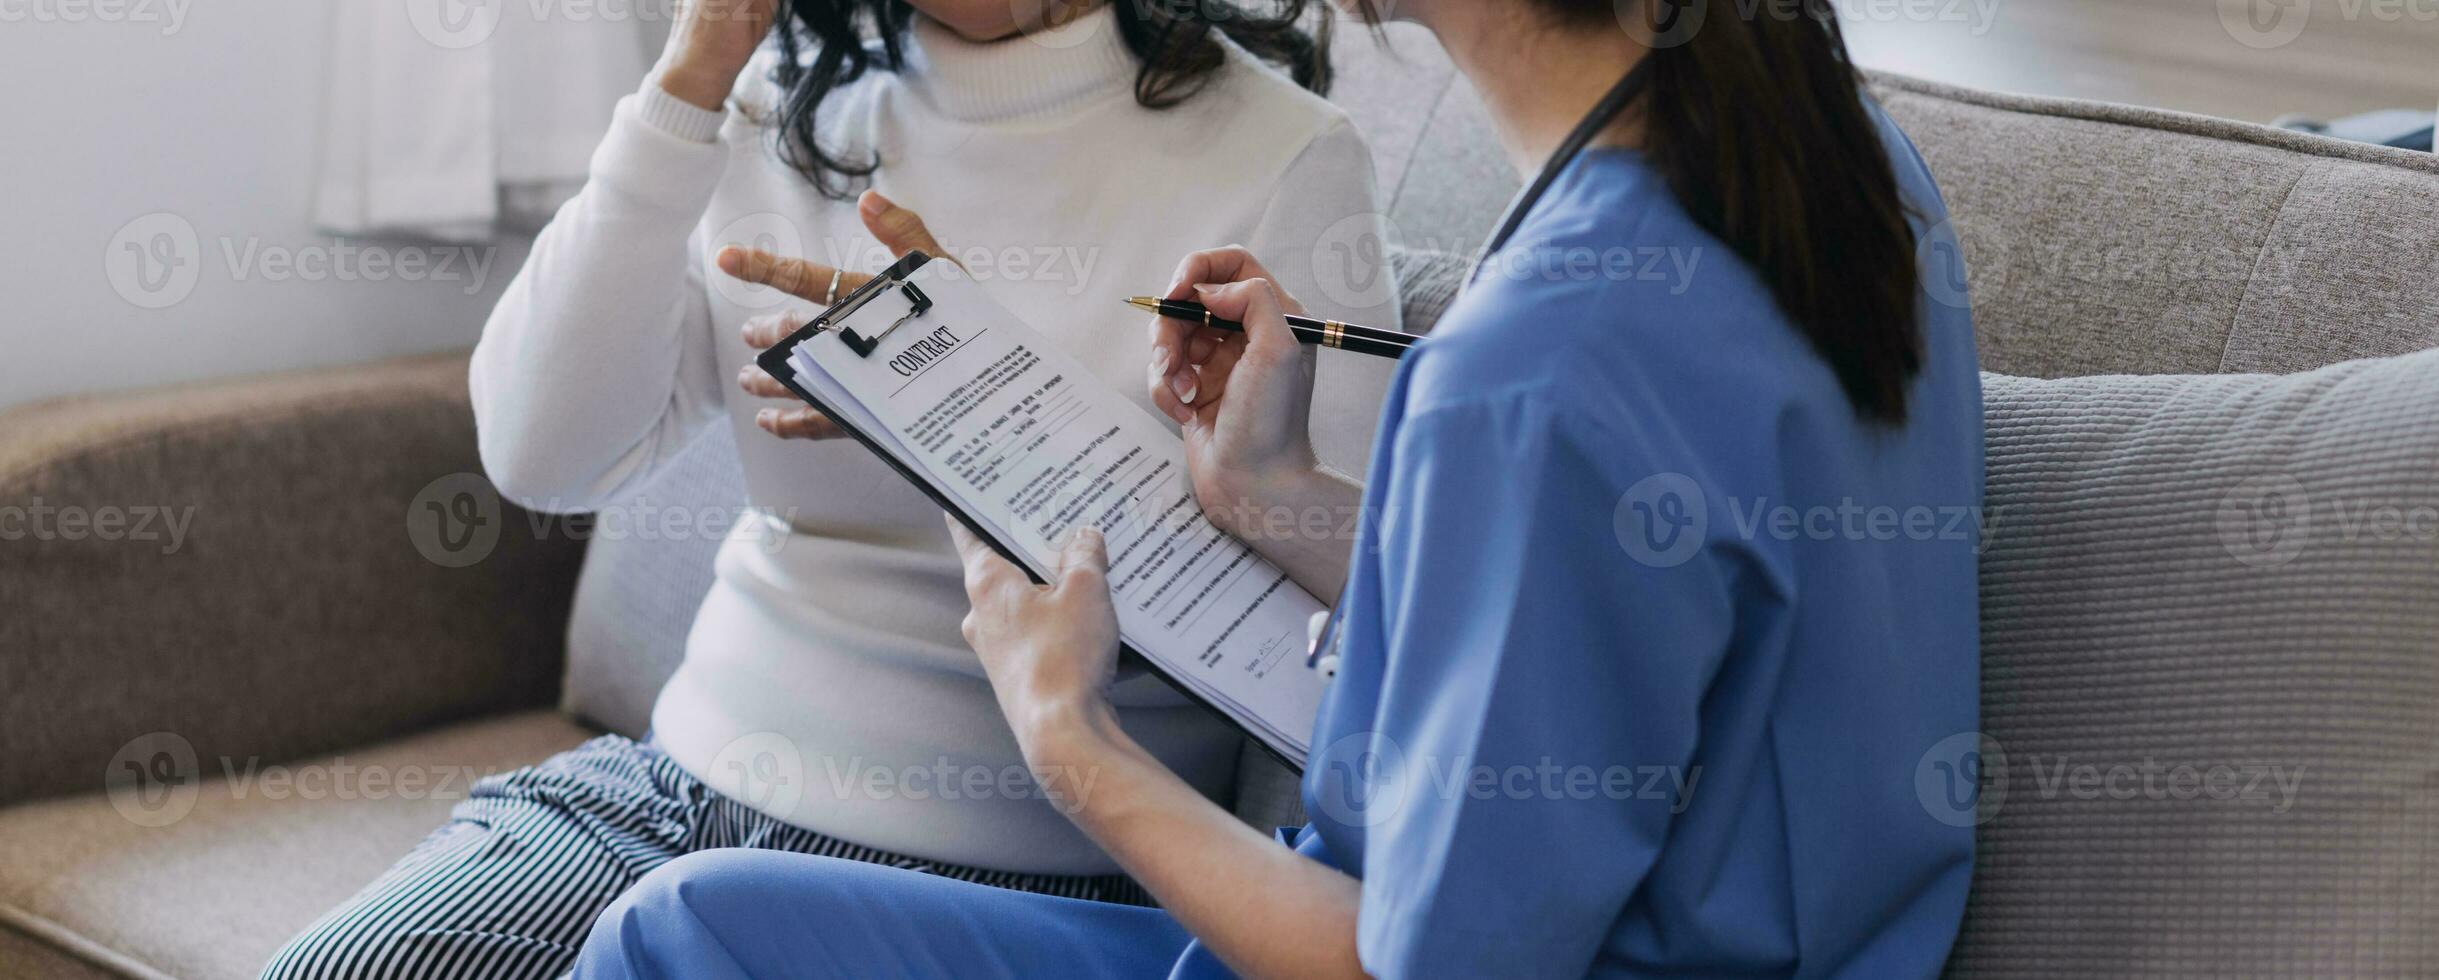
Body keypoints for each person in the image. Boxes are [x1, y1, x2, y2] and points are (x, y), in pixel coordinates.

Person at [572, 0, 1989, 974]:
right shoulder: (1842, 178)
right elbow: (1595, 617)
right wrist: (1273, 495)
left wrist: (1066, 735)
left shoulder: (1529, 367)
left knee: (679, 935)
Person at [263, 0, 1401, 975]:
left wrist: (973, 386)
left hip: (1009, 881)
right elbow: (539, 452)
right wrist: (690, 76)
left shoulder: (1286, 156)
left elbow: (1347, 634)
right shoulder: (778, 102)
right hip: (674, 789)